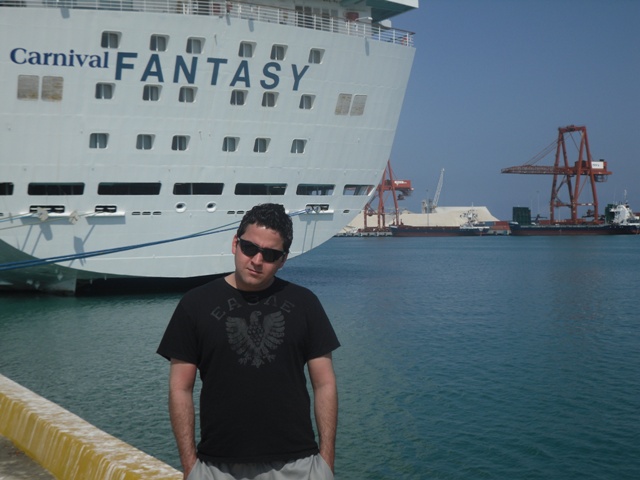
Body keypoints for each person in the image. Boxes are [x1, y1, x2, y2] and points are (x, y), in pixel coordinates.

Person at [157, 203, 340, 480]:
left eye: (270, 254)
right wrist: (190, 466)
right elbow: (180, 388)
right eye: (249, 248)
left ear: (283, 260)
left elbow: (325, 384)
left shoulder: (305, 303)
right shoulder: (195, 304)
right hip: (216, 468)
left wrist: (326, 463)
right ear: (235, 243)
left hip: (299, 466)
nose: (256, 260)